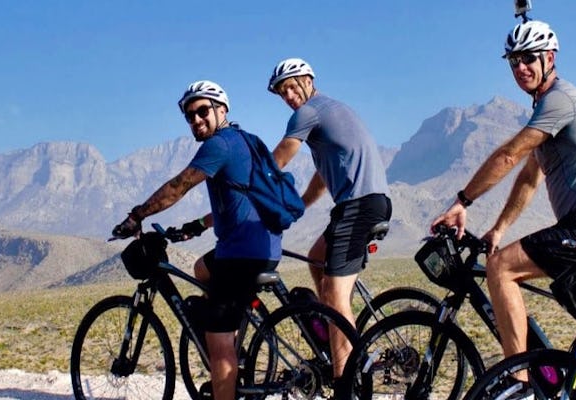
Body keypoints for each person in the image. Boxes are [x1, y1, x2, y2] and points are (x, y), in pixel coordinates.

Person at [430, 19, 576, 395]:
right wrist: (499, 229)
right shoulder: (546, 108)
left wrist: (462, 201)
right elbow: (528, 177)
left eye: (529, 58)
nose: (520, 68)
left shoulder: (560, 99)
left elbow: (510, 155)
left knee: (501, 267)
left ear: (549, 57)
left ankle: (519, 381)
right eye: (513, 61)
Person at [112, 80, 282, 400]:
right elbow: (243, 201)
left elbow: (179, 186)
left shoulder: (219, 145)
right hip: (264, 246)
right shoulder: (249, 142)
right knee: (201, 268)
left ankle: (224, 352)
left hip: (241, 255)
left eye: (203, 111)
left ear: (222, 109)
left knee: (216, 341)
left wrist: (138, 215)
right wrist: (199, 225)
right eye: (190, 116)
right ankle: (234, 338)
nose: (196, 120)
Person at [265, 57, 392, 381]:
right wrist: (299, 207)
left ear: (309, 80)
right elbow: (322, 178)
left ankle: (345, 378)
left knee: (335, 294)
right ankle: (333, 333)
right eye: (283, 93)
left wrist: (254, 187)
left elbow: (282, 153)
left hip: (360, 205)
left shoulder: (309, 112)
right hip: (360, 203)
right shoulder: (330, 112)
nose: (290, 96)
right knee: (316, 258)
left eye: (293, 86)